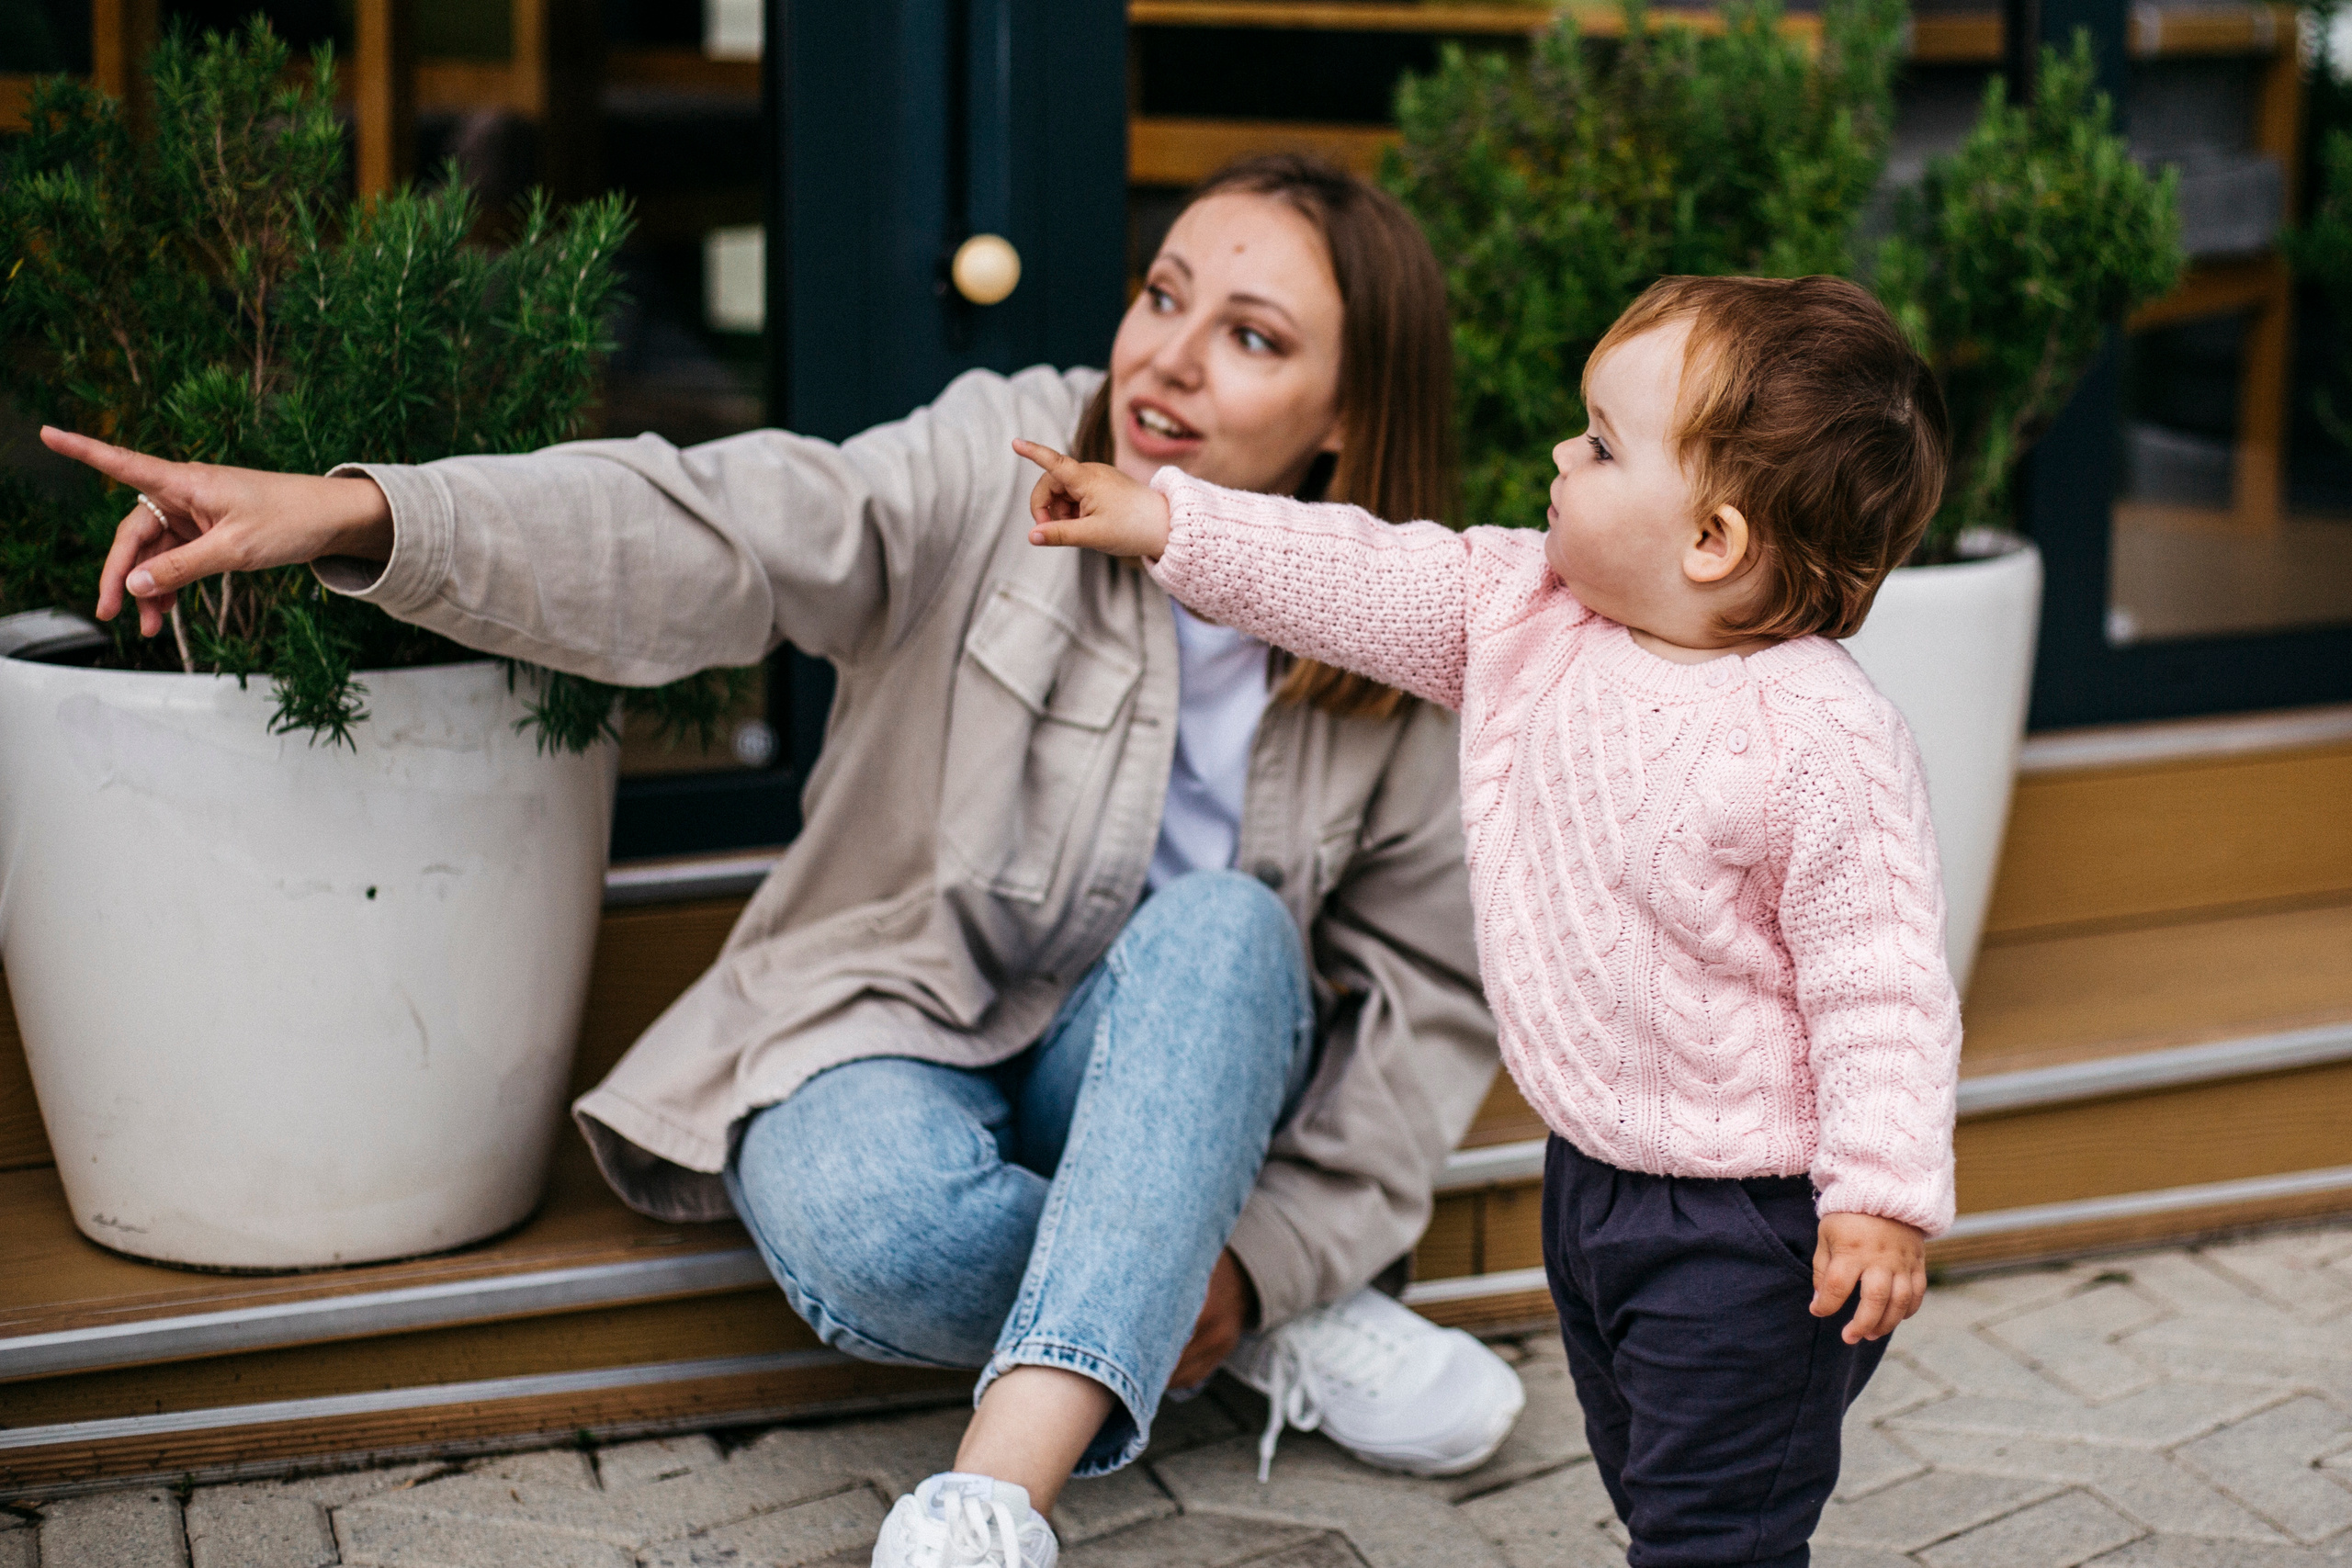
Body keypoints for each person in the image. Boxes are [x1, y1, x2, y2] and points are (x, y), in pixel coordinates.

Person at [49, 156, 1524, 1568]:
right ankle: (1210, 1315)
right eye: (1162, 294)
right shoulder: (994, 457)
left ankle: (992, 1503)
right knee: (875, 1228)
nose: (1170, 359)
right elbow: (718, 525)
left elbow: (1421, 1009)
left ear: (1347, 415)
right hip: (886, 1027)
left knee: (1224, 930)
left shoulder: (1398, 640)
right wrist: (365, 511)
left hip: (1161, 1058)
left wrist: (1280, 1240)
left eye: (1252, 337)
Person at [1018, 273, 1965, 1568]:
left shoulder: (1819, 739)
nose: (1561, 456)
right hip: (1593, 1181)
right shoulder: (1529, 614)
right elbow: (1350, 572)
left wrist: (1883, 1198)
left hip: (1762, 1224)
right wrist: (1163, 520)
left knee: (1715, 1529)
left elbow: (1882, 980)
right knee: (1646, 1473)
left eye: (1601, 443)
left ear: (1713, 541)